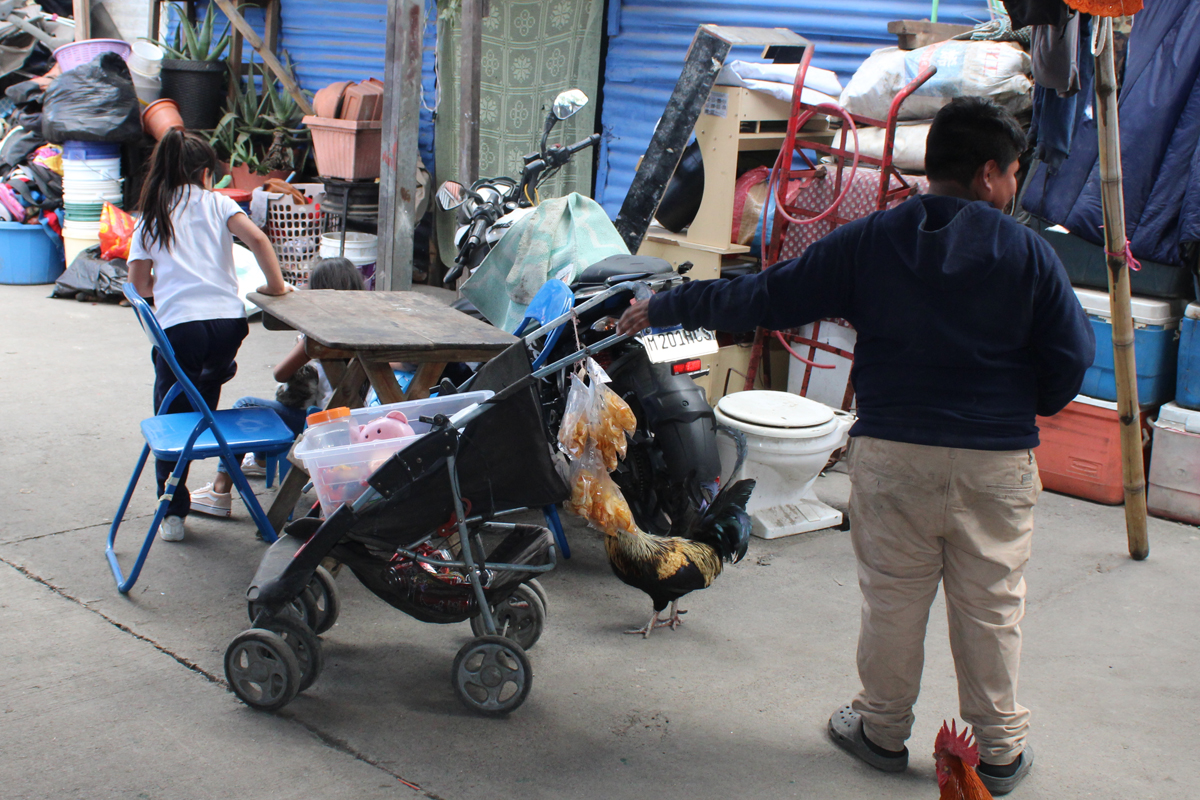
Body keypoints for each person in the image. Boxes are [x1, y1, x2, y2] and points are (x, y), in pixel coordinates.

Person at [617, 97, 1095, 796]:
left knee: (894, 601)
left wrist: (666, 306)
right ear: (991, 173)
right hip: (994, 462)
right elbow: (1070, 363)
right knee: (992, 604)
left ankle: (879, 730)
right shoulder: (1030, 255)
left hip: (894, 454)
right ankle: (998, 751)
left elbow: (766, 296)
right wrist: (1018, 408)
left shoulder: (873, 239)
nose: (1014, 187)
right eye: (1014, 173)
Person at [127, 129, 291, 544]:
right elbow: (256, 238)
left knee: (172, 416)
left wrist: (166, 285)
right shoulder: (218, 202)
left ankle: (173, 511)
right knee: (209, 379)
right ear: (204, 173)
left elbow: (139, 286)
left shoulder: (153, 214)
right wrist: (276, 287)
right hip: (227, 326)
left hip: (181, 329)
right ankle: (212, 381)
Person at [189, 257, 366, 517]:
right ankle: (260, 460)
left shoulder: (316, 336)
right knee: (274, 409)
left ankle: (219, 491)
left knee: (246, 407)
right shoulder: (364, 327)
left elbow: (280, 373)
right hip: (357, 419)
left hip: (319, 424)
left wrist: (301, 343)